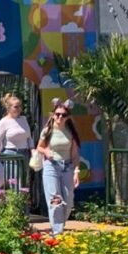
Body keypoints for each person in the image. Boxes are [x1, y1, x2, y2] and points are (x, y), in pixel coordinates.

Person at [36, 99, 81, 235]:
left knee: (68, 201)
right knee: (55, 200)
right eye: (57, 114)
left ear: (68, 117)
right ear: (52, 115)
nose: (60, 117)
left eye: (63, 115)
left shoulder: (70, 132)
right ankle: (57, 232)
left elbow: (75, 155)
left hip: (67, 166)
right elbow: (39, 147)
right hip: (51, 166)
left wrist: (76, 171)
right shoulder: (47, 131)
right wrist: (46, 152)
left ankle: (59, 226)